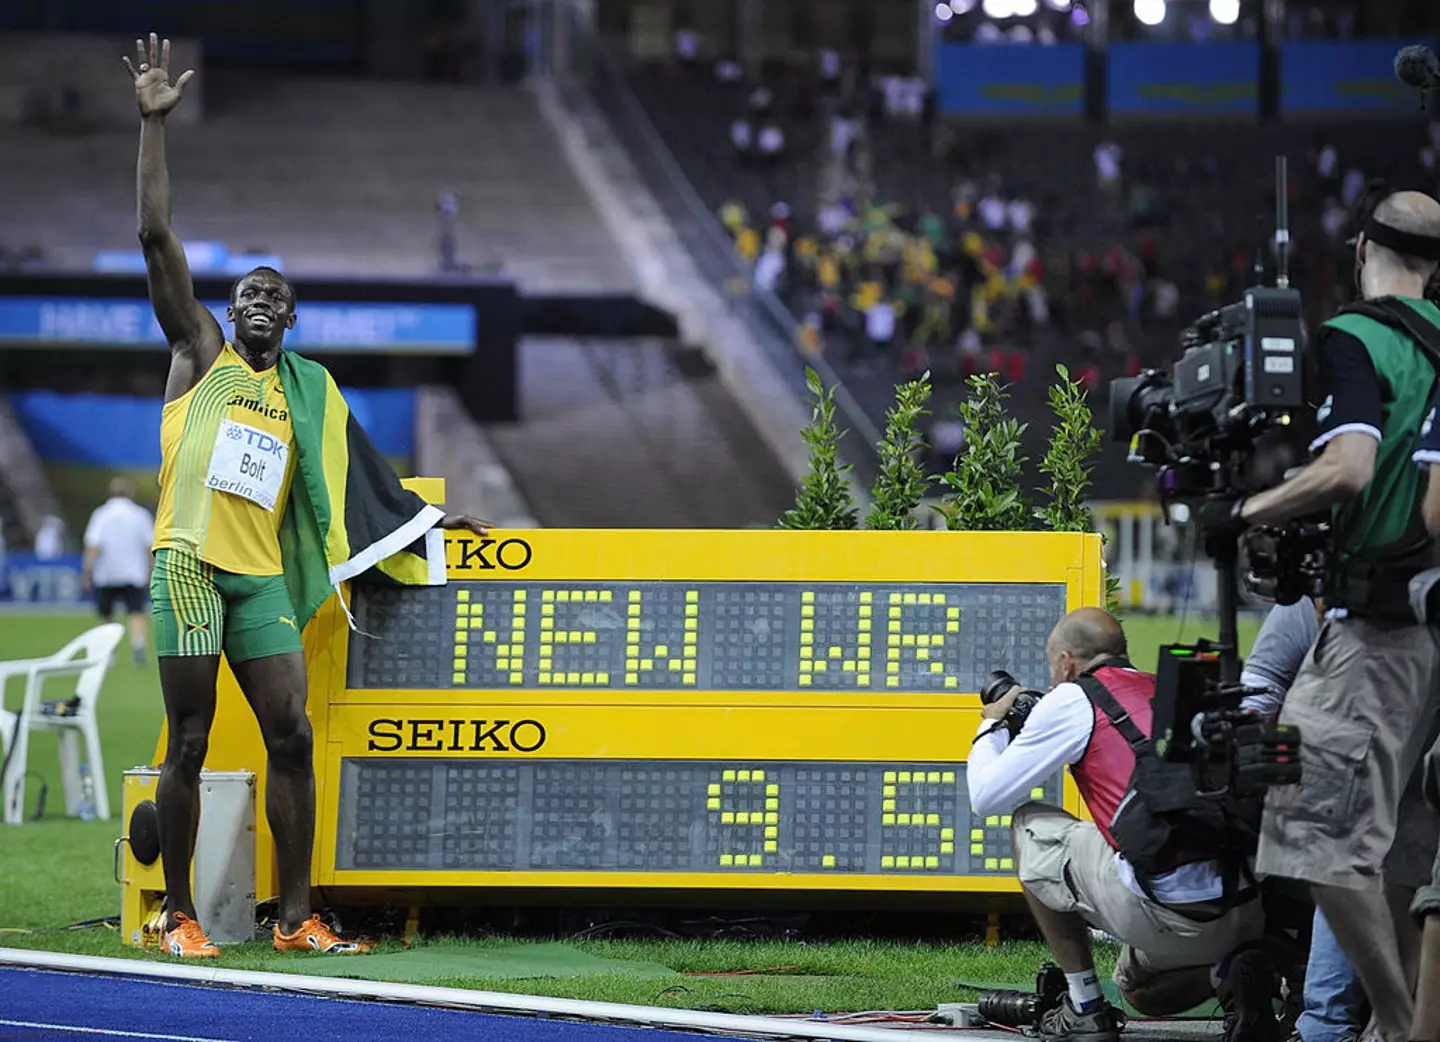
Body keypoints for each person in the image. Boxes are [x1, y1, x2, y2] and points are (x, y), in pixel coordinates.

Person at [124, 34, 487, 960]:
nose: (253, 302)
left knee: (291, 733)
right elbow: (155, 236)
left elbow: (361, 480)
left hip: (257, 581)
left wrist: (431, 521)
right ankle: (179, 915)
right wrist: (152, 128)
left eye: (270, 297)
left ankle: (296, 919)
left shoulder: (311, 396)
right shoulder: (198, 355)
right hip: (189, 565)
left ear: (289, 319)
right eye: (243, 291)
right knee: (193, 740)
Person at [1224, 189, 1440, 1042]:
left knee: (1309, 818)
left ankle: (1392, 1020)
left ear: (1360, 249)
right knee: (1406, 844)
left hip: (1383, 630)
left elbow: (1350, 468)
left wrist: (1248, 511)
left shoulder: (1357, 337)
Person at [968, 608, 1276, 1042]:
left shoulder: (1072, 697)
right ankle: (1230, 976)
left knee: (1029, 825)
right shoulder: (1170, 689)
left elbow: (986, 797)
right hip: (1244, 906)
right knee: (1139, 992)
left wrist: (992, 723)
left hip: (1167, 913)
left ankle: (1085, 1006)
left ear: (1066, 662)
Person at [82, 478, 155, 666]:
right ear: (130, 493)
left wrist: (87, 572)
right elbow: (149, 546)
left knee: (105, 615)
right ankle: (138, 645)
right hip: (134, 572)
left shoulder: (101, 514)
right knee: (136, 612)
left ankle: (108, 652)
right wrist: (150, 572)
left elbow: (93, 546)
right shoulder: (140, 514)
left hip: (106, 573)